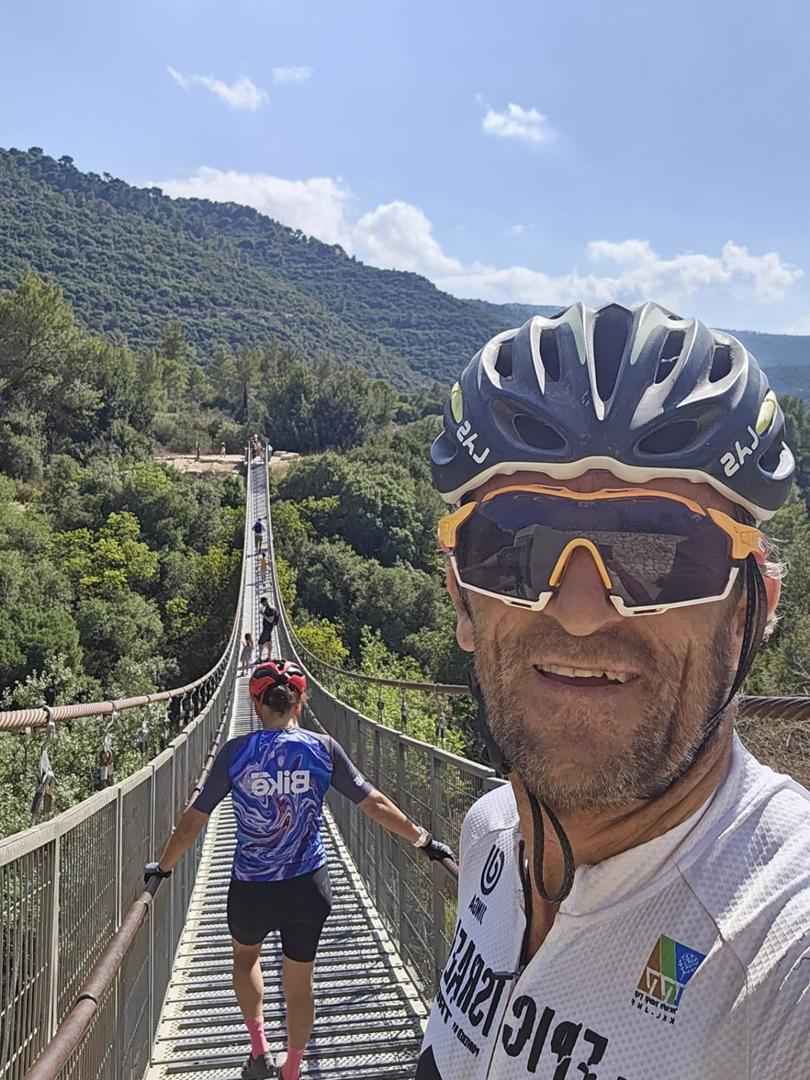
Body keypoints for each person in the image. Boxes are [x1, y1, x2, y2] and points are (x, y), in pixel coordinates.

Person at [416, 301, 810, 1079]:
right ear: (462, 600)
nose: (581, 613)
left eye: (661, 552)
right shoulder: (489, 832)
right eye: (516, 547)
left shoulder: (781, 948)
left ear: (748, 614)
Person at [145, 659, 455, 1080]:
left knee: (245, 958)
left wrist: (163, 868)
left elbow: (192, 822)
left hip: (251, 887)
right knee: (300, 981)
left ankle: (260, 1051)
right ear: (300, 703)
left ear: (257, 705)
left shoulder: (236, 753)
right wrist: (425, 841)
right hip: (308, 886)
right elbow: (375, 804)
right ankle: (292, 1070)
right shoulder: (322, 749)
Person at [257, 596, 278, 661]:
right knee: (269, 641)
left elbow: (271, 620)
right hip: (269, 629)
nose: (262, 604)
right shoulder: (271, 607)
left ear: (265, 602)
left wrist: (263, 614)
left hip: (267, 629)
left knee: (260, 642)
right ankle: (269, 657)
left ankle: (259, 658)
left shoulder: (270, 609)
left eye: (262, 603)